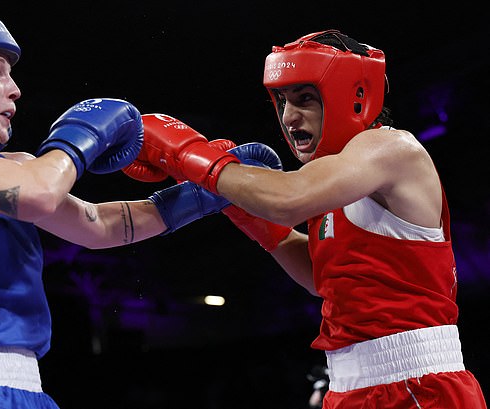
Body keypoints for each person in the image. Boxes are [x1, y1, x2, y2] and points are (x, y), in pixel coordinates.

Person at [0, 11, 280, 409]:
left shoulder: (16, 169)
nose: (15, 89)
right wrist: (79, 138)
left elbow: (100, 226)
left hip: (30, 391)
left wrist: (205, 192)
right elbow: (41, 193)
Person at [121, 30, 487, 408]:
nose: (289, 116)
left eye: (305, 99)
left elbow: (287, 199)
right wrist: (258, 223)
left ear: (357, 97)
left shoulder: (390, 148)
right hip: (347, 387)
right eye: (281, 100)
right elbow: (323, 276)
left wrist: (187, 153)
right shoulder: (335, 179)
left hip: (418, 384)